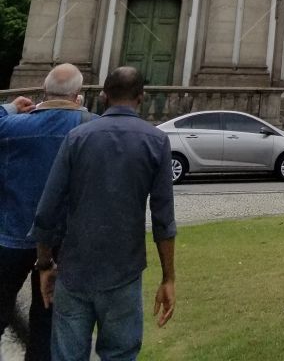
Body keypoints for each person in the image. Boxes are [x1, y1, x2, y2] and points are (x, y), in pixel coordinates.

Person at [31, 66, 177, 361]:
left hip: (74, 270)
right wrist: (168, 278)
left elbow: (47, 211)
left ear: (103, 96)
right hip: (124, 272)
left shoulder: (77, 137)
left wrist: (44, 263)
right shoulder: (156, 141)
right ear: (142, 97)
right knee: (120, 355)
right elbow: (163, 219)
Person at [0, 65, 92, 361]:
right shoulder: (87, 131)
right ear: (78, 96)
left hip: (11, 237)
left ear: (43, 91)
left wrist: (11, 108)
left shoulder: (13, 127)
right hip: (60, 242)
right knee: (45, 323)